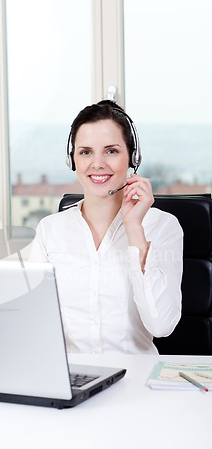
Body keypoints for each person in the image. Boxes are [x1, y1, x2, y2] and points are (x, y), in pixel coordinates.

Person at [29, 99, 183, 354]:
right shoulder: (50, 231)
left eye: (111, 151)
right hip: (72, 380)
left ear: (133, 157)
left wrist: (135, 230)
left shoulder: (162, 226)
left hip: (136, 378)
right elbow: (34, 323)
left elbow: (161, 325)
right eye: (86, 152)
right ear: (73, 160)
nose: (97, 163)